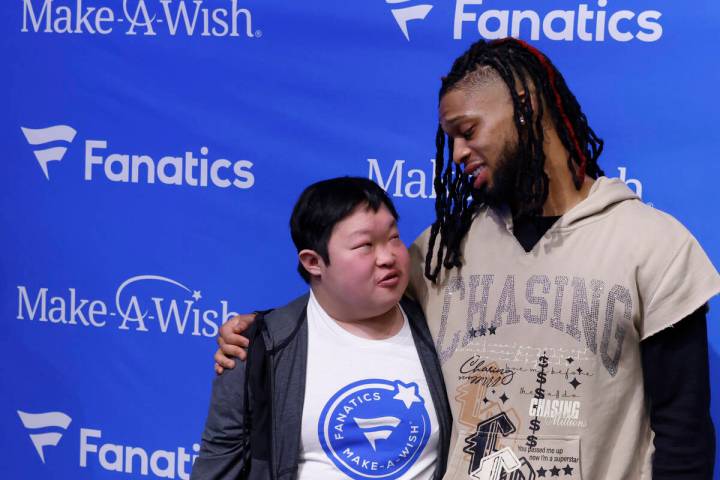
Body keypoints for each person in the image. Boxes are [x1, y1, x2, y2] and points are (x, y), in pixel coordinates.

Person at [215, 38, 720, 479]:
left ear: (525, 108)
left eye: (467, 130)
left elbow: (683, 432)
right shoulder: (443, 248)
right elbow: (349, 299)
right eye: (449, 138)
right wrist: (260, 334)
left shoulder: (651, 244)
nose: (456, 153)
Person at [191, 177, 452, 480]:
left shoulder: (440, 326)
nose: (388, 257)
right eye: (365, 245)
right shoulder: (259, 347)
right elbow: (218, 465)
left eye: (393, 237)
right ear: (313, 261)